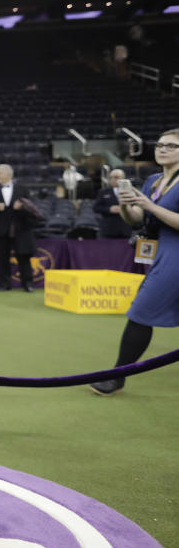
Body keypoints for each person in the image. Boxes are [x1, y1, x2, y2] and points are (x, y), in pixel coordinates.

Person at [91, 129, 179, 395]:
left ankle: (117, 377)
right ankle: (118, 376)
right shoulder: (153, 180)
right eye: (160, 144)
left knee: (141, 312)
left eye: (171, 146)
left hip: (174, 254)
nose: (162, 149)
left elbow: (153, 212)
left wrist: (149, 206)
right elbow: (137, 219)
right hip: (164, 251)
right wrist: (128, 205)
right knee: (142, 312)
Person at [0, 164, 38, 292]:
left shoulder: (23, 189)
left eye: (0, 173)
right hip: (1, 230)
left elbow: (31, 209)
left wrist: (20, 208)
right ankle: (4, 284)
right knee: (3, 258)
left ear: (9, 175)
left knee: (23, 258)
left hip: (20, 229)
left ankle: (28, 284)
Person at [94, 168, 135, 239]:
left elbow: (136, 207)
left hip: (126, 229)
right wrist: (109, 209)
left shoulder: (131, 192)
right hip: (108, 229)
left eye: (116, 177)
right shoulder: (103, 192)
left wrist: (127, 209)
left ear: (124, 178)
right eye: (111, 177)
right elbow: (96, 208)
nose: (113, 179)